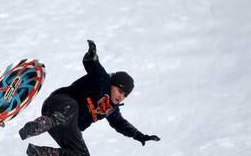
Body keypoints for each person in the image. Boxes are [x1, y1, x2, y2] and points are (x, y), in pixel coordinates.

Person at [19, 40, 160, 156]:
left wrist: (139, 135)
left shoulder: (111, 109)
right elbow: (94, 67)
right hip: (58, 104)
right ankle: (35, 127)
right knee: (72, 107)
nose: (120, 96)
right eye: (119, 91)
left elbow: (121, 124)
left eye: (124, 95)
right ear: (112, 85)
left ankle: (38, 153)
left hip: (67, 127)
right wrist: (91, 57)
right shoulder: (103, 81)